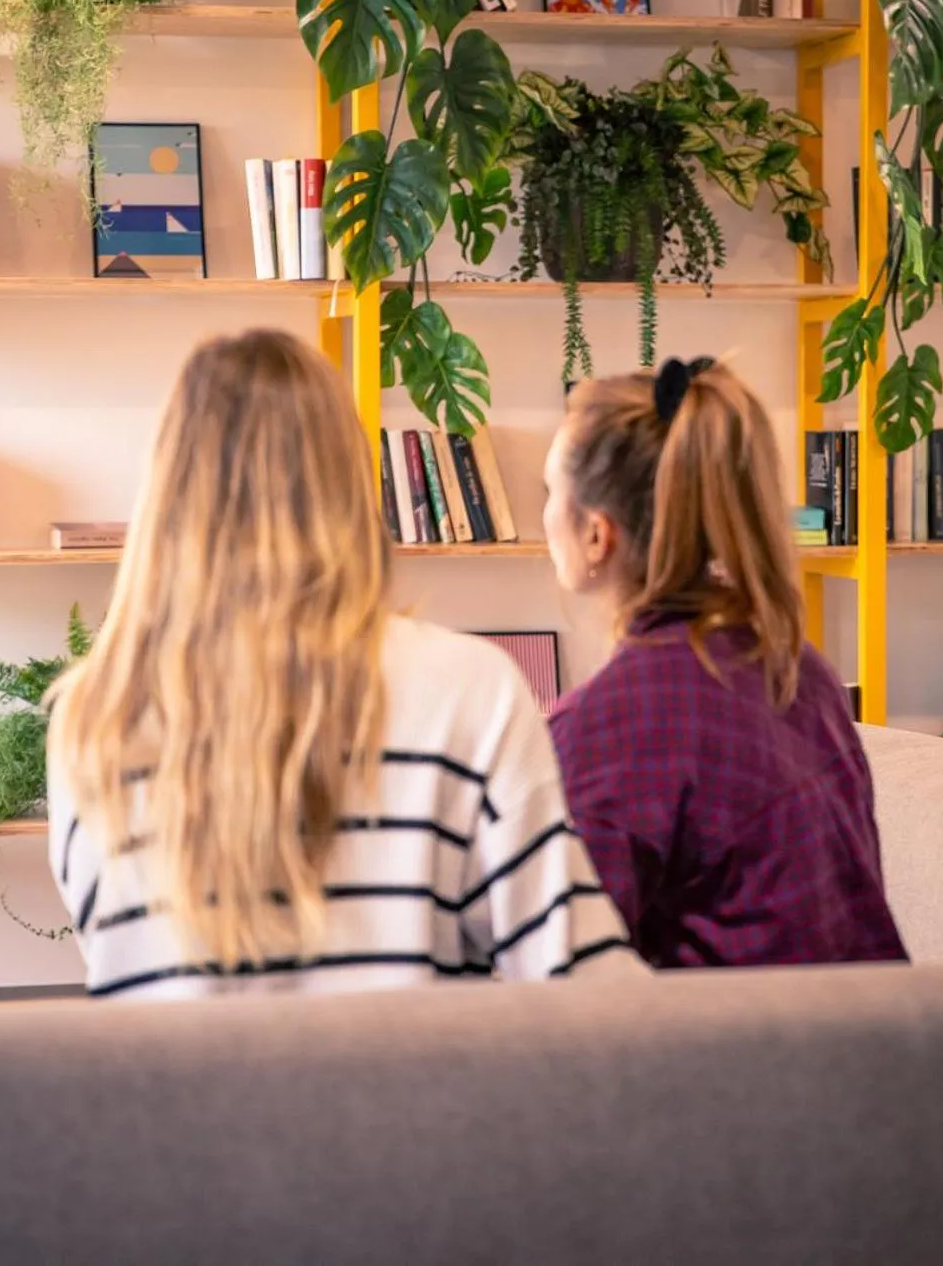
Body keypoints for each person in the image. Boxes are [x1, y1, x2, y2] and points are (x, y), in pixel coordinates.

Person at [46, 330, 634, 998]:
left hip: (170, 1103)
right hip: (412, 1100)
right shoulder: (471, 691)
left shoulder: (93, 716)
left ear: (167, 494)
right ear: (351, 481)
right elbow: (581, 980)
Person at [544, 356, 907, 969]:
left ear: (596, 534)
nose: (547, 511)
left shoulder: (605, 726)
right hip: (877, 1042)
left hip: (740, 1058)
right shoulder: (796, 665)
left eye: (551, 491)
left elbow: (561, 970)